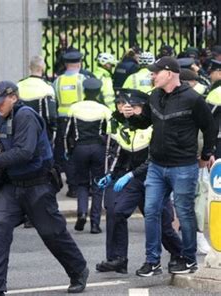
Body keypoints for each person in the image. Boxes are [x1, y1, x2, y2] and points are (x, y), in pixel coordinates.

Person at [0, 81, 89, 295]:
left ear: (14, 98)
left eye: (1, 102)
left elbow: (24, 152)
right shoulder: (4, 118)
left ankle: (78, 270)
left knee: (51, 232)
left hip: (37, 185)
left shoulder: (25, 116)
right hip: (12, 186)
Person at [118, 56, 217, 275]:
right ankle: (152, 261)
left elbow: (209, 127)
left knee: (184, 213)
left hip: (183, 166)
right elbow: (146, 122)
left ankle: (189, 259)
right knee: (151, 211)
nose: (152, 76)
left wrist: (207, 153)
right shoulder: (154, 96)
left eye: (155, 72)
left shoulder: (192, 98)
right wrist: (132, 117)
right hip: (156, 165)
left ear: (170, 73)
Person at [95, 89, 182, 275]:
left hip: (154, 179)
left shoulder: (154, 127)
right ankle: (119, 259)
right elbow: (122, 152)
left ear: (144, 108)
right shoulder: (128, 126)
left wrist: (131, 175)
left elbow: (153, 159)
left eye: (135, 107)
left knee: (163, 225)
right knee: (118, 212)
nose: (130, 110)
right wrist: (111, 174)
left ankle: (178, 254)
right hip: (135, 179)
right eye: (128, 106)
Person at [64, 78, 111, 233]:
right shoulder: (104, 109)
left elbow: (66, 134)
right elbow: (109, 133)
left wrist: (67, 151)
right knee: (98, 185)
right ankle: (95, 224)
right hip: (98, 149)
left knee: (82, 184)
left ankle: (82, 213)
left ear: (84, 91)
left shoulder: (75, 108)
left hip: (80, 149)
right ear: (98, 92)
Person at [53, 50, 91, 198]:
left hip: (63, 120)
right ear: (80, 63)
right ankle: (84, 185)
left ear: (65, 64)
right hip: (80, 120)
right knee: (81, 152)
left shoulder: (58, 81)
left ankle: (73, 187)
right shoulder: (83, 79)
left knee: (67, 154)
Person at [18, 55, 57, 141]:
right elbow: (51, 115)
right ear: (43, 67)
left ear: (29, 67)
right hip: (40, 132)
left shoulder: (19, 85)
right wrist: (53, 130)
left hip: (21, 131)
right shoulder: (47, 87)